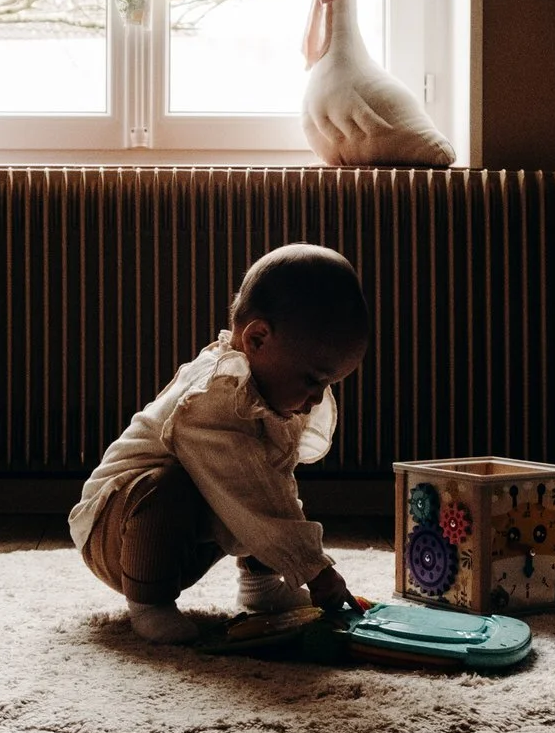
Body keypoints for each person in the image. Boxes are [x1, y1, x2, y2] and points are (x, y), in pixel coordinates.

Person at [68, 243, 370, 643]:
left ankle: (261, 588)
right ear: (258, 339)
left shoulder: (263, 393)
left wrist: (295, 562)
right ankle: (149, 603)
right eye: (313, 380)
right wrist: (313, 567)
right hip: (117, 533)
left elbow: (266, 490)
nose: (316, 398)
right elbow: (244, 490)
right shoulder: (215, 397)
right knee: (183, 486)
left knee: (267, 485)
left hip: (183, 539)